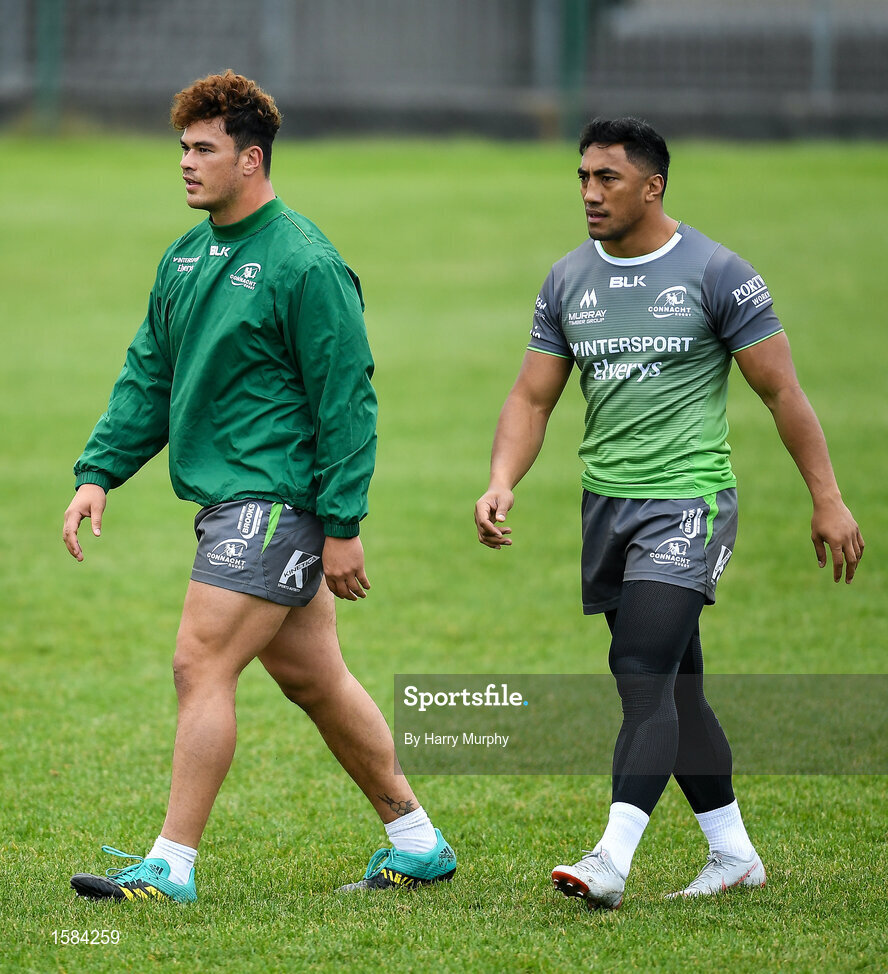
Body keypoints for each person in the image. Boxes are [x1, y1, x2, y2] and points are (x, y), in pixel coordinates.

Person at [63, 70, 455, 903]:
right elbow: (150, 376)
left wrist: (343, 522)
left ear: (251, 160)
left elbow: (346, 397)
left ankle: (170, 865)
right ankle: (417, 841)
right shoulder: (185, 256)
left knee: (198, 661)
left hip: (274, 502)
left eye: (203, 149)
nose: (186, 163)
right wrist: (99, 471)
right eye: (182, 148)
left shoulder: (304, 261)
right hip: (230, 503)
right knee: (313, 677)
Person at [474, 117, 862, 911]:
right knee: (678, 693)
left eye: (606, 179)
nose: (588, 192)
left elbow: (781, 391)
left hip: (688, 502)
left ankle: (612, 858)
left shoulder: (719, 273)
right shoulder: (568, 280)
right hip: (606, 507)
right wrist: (502, 478)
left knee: (641, 672)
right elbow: (532, 394)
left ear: (652, 186)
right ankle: (734, 854)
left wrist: (826, 497)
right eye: (582, 177)